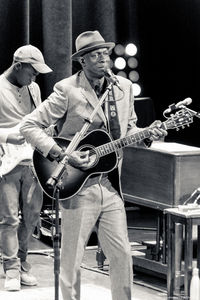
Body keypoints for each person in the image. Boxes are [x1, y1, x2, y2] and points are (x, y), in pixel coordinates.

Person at [20, 31, 167, 300]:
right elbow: (29, 125)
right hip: (76, 187)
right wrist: (61, 154)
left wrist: (147, 134)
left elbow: (129, 130)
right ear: (82, 61)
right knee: (72, 259)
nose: (103, 59)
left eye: (105, 53)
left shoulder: (122, 89)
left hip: (110, 186)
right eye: (95, 55)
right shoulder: (67, 90)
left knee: (122, 254)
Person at [0, 44, 52, 291]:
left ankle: (21, 261)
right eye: (32, 71)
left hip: (32, 160)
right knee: (9, 217)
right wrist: (6, 137)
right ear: (18, 65)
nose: (35, 77)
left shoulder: (34, 88)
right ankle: (10, 267)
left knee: (32, 215)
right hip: (6, 162)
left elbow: (37, 123)